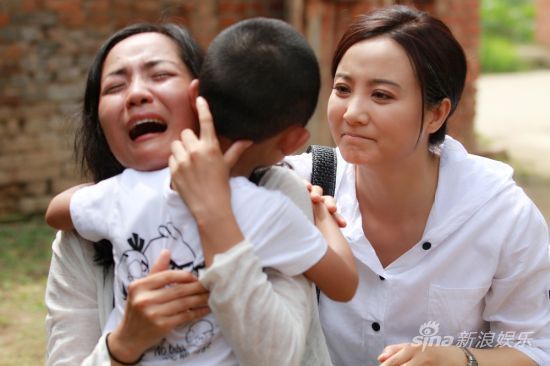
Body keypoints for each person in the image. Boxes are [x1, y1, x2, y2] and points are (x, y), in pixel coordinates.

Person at [171, 5, 550, 366]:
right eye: (343, 89)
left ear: (437, 113)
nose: (352, 114)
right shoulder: (295, 188)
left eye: (381, 95)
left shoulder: (501, 215)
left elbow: (534, 349)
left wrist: (459, 358)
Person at [45, 19, 355, 365]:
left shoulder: (278, 193)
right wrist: (123, 344)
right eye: (115, 86)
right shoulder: (88, 231)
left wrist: (215, 215)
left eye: (159, 75)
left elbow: (279, 356)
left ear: (199, 97)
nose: (136, 94)